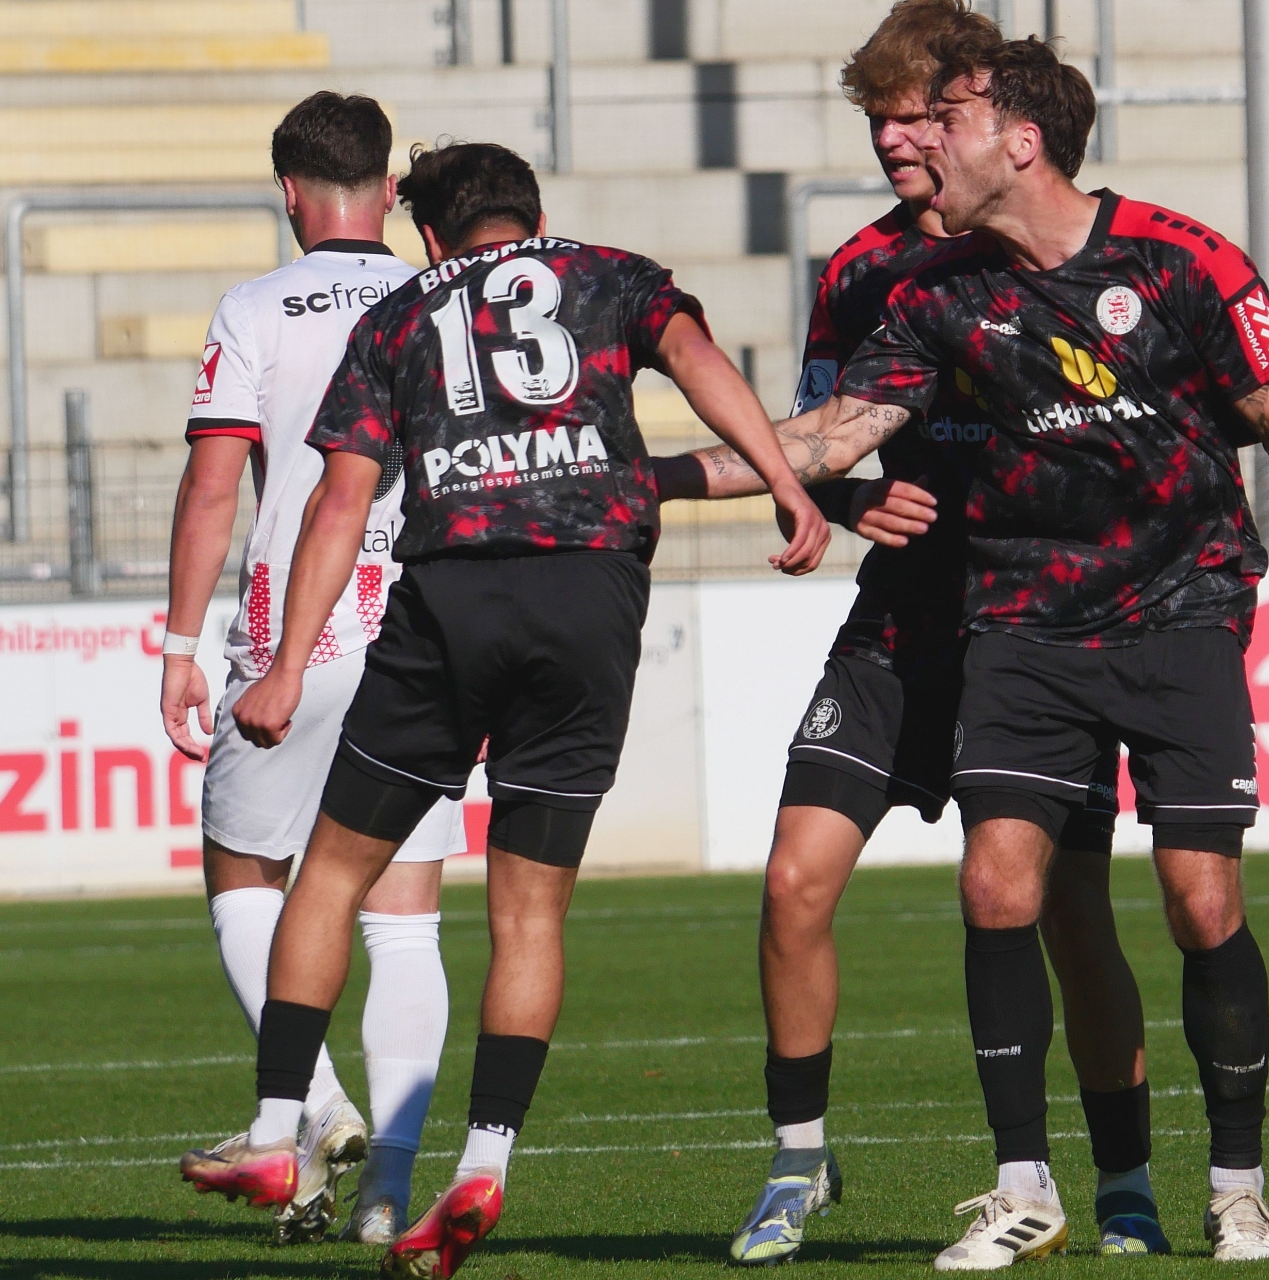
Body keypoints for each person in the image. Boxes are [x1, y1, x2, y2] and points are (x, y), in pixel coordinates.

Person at [751, 34, 1269, 1268]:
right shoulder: (934, 291)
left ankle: (1236, 1185)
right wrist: (636, 476)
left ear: (1020, 141)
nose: (918, 142)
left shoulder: (1182, 256)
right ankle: (1025, 1186)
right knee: (996, 888)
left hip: (1182, 607)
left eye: (944, 119)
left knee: (1200, 901)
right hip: (1023, 621)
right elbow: (830, 433)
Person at [178, 140, 829, 1279]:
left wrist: (283, 666)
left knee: (330, 874)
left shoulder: (398, 315)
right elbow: (697, 360)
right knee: (530, 912)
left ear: (429, 233)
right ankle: (483, 1161)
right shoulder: (613, 276)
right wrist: (783, 480)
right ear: (533, 210)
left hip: (453, 600)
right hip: (591, 596)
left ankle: (280, 1129)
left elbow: (341, 503)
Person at [656, 1, 1164, 1263]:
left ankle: (1125, 1179)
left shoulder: (1061, 253)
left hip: (1038, 633)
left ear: (974, 114)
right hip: (900, 630)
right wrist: (842, 500)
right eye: (875, 119)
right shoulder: (860, 272)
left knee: (1071, 914)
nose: (891, 138)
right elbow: (814, 435)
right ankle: (797, 1159)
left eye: (910, 115)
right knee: (793, 879)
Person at [161, 92, 463, 1247]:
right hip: (423, 629)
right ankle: (388, 1188)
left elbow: (212, 483)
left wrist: (181, 647)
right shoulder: (440, 296)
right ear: (387, 188)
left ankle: (317, 1104)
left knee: (247, 872)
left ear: (288, 191)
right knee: (404, 915)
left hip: (296, 630)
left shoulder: (253, 308)